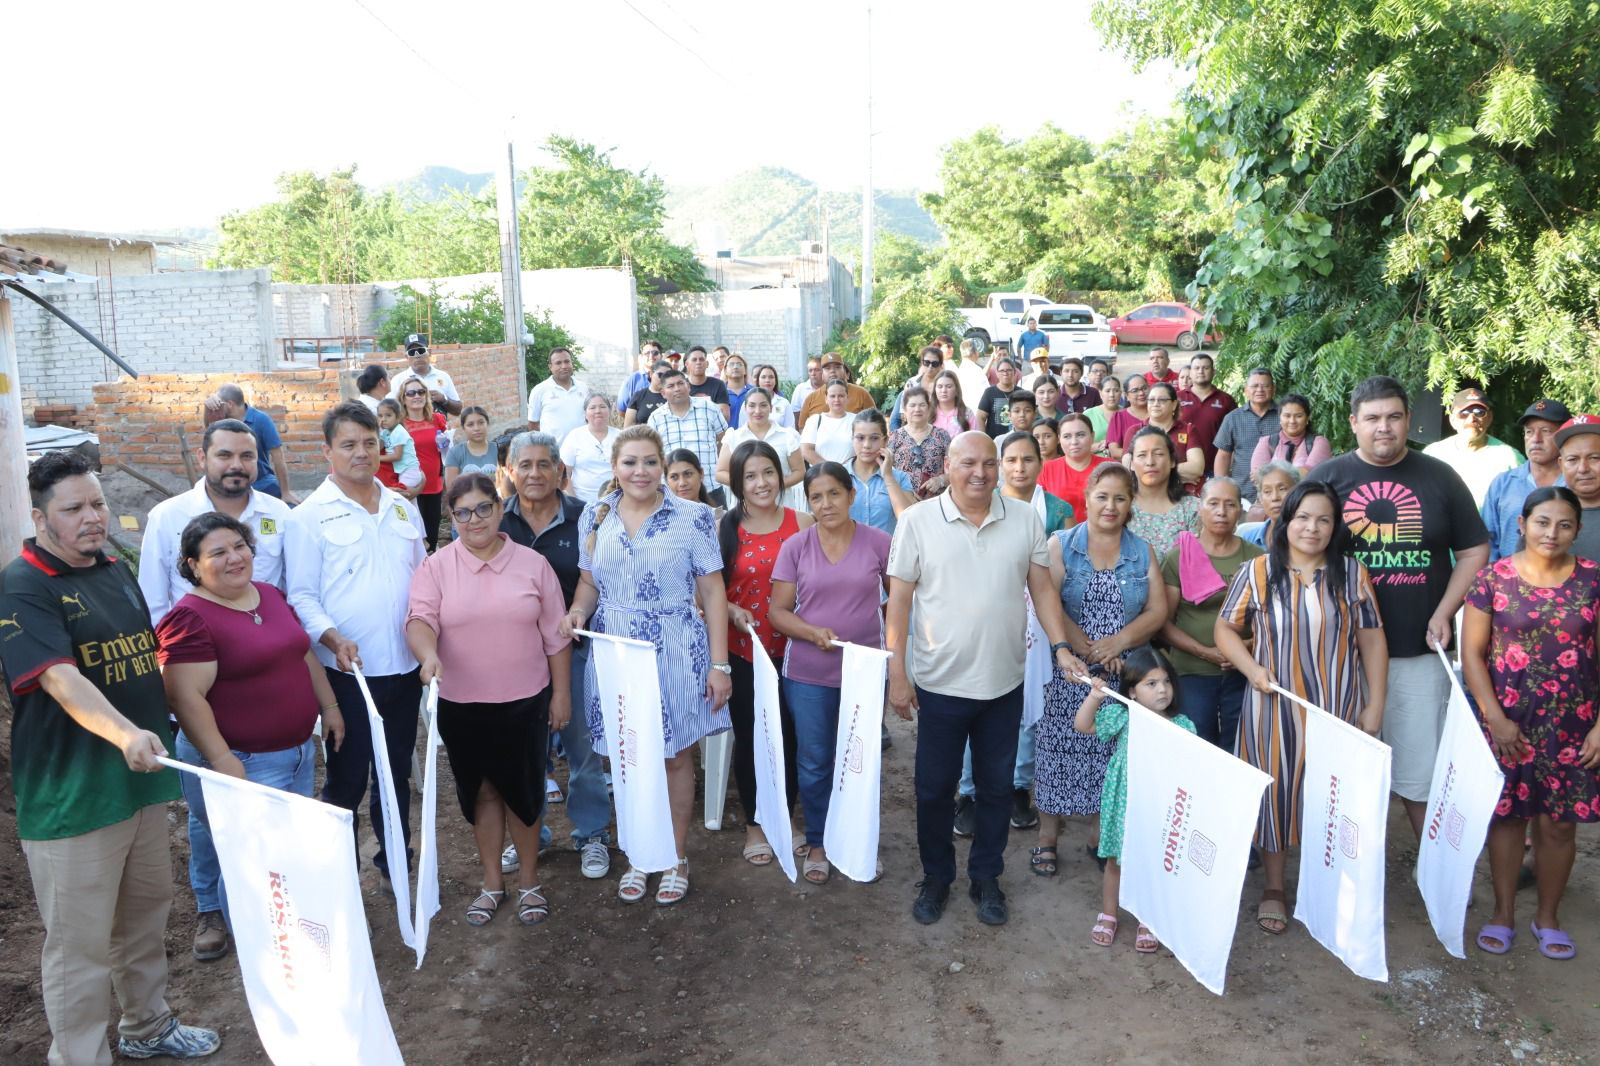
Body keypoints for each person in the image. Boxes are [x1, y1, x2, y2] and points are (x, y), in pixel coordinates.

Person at [0, 452, 223, 1064]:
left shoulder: (111, 567)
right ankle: (78, 1056)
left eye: (97, 503)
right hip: (73, 797)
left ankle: (147, 1027)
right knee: (79, 948)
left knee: (144, 920)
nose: (92, 517)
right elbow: (59, 679)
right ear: (41, 518)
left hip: (139, 787)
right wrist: (126, 733)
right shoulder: (22, 585)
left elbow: (143, 657)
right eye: (74, 508)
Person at [886, 432, 1091, 927]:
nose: (979, 473)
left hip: (1004, 683)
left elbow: (1042, 589)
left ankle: (986, 878)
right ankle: (937, 877)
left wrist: (1061, 647)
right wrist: (897, 673)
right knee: (934, 790)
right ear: (948, 466)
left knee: (997, 789)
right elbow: (899, 603)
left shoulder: (1023, 519)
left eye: (989, 464)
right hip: (939, 685)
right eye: (968, 463)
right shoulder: (916, 521)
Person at [156, 513, 345, 957]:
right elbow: (184, 697)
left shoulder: (269, 594)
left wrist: (330, 707)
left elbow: (301, 654)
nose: (234, 558)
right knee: (251, 864)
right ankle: (263, 954)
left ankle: (284, 941)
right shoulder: (189, 619)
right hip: (242, 761)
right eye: (217, 553)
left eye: (239, 546)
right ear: (192, 565)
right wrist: (223, 760)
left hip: (296, 753)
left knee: (282, 854)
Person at [562, 425, 734, 906]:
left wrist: (720, 665)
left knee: (675, 756)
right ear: (614, 467)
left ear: (662, 466)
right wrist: (577, 612)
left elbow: (713, 592)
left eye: (650, 462)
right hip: (615, 652)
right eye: (630, 462)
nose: (641, 471)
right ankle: (640, 853)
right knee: (629, 756)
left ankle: (675, 856)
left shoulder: (694, 516)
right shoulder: (595, 515)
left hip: (675, 648)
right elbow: (589, 583)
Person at [1311, 375, 1489, 837]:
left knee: (1420, 773)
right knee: (1345, 773)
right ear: (1354, 422)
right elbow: (1291, 550)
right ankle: (1347, 864)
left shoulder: (1440, 476)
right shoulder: (1327, 479)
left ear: (1409, 419)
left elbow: (1474, 550)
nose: (1384, 427)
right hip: (1339, 653)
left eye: (1393, 417)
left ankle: (1430, 867)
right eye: (1372, 418)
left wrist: (1445, 611)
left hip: (1419, 649)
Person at [1216, 479, 1387, 934]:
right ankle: (1274, 887)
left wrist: (1375, 704)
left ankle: (1327, 883)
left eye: (1324, 520)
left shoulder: (1351, 573)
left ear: (1336, 526)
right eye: (1303, 518)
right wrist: (1252, 669)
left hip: (1338, 707)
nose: (1312, 528)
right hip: (1273, 708)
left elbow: (1372, 639)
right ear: (1285, 521)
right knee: (1276, 792)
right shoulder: (1257, 572)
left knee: (1333, 794)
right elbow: (1225, 630)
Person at [407, 474, 571, 926]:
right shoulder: (436, 567)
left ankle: (530, 882)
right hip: (462, 704)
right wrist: (427, 655)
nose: (474, 519)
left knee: (524, 793)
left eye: (483, 508)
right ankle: (493, 883)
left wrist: (561, 695)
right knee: (480, 792)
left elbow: (556, 637)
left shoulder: (533, 564)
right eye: (462, 512)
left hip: (525, 702)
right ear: (451, 517)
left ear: (500, 508)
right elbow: (420, 619)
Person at [285, 402, 427, 886]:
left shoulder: (402, 507)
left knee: (395, 774)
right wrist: (332, 636)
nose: (361, 452)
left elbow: (424, 581)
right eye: (348, 444)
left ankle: (395, 865)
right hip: (346, 677)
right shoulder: (308, 517)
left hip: (404, 671)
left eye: (369, 442)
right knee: (347, 780)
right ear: (328, 451)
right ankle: (339, 879)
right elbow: (301, 595)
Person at [1462, 487, 1600, 959]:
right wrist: (1494, 718)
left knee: (1558, 825)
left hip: (1575, 725)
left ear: (1578, 530)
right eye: (1542, 522)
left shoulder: (1593, 579)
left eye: (1564, 524)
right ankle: (1502, 913)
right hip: (1509, 724)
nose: (1552, 533)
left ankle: (1548, 917)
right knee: (1507, 818)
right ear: (1522, 524)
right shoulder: (1492, 579)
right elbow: (1472, 655)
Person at [1032, 463, 1165, 879]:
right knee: (1057, 750)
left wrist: (1119, 643)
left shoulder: (1142, 551)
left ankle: (1098, 835)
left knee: (1109, 753)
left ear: (1131, 503)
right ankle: (1047, 837)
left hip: (1121, 671)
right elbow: (1049, 601)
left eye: (1120, 498)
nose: (1111, 506)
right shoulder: (1062, 545)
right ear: (1087, 497)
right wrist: (1089, 649)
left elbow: (1157, 610)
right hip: (1070, 668)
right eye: (1103, 496)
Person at [769, 463, 893, 885]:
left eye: (834, 494)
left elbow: (901, 599)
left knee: (860, 760)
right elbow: (777, 612)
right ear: (808, 502)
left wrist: (882, 631)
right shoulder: (796, 547)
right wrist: (811, 632)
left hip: (865, 674)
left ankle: (859, 843)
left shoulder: (879, 542)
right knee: (815, 760)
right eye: (816, 497)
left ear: (851, 495)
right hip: (808, 673)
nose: (826, 504)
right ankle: (819, 842)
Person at [500, 432, 614, 880]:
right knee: (524, 752)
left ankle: (592, 835)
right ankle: (532, 836)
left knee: (583, 749)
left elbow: (599, 578)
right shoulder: (497, 520)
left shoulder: (585, 518)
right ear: (510, 471)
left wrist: (577, 614)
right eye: (525, 465)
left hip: (577, 650)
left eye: (544, 464)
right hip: (515, 658)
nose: (535, 473)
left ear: (560, 471)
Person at [947, 431, 1070, 836]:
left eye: (1028, 459)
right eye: (1011, 460)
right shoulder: (982, 503)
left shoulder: (1056, 510)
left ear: (1041, 463)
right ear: (1001, 465)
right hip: (984, 624)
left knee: (1027, 702)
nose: (1019, 468)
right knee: (975, 705)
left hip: (1037, 619)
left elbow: (1056, 575)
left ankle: (1018, 786)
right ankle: (969, 791)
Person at [717, 442, 810, 870]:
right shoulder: (724, 528)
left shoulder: (802, 523)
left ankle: (786, 816)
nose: (761, 483)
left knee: (791, 736)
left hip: (796, 652)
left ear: (781, 475)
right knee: (751, 737)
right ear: (738, 482)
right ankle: (755, 823)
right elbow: (706, 592)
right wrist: (730, 610)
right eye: (750, 476)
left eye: (768, 472)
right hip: (744, 651)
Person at [1079, 652, 1195, 952]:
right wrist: (1094, 696)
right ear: (1132, 691)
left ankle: (1148, 919)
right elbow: (1083, 725)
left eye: (1166, 681)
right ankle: (1109, 914)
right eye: (1151, 683)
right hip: (1124, 800)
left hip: (1159, 804)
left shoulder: (1181, 725)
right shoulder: (1123, 717)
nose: (1162, 690)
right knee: (1115, 860)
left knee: (1152, 863)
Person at [139, 418, 291, 626]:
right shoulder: (167, 517)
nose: (236, 465)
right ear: (202, 458)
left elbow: (293, 589)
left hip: (269, 637)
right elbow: (152, 602)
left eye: (247, 456)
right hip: (197, 640)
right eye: (224, 455)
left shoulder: (278, 513)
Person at [1159, 478, 1263, 750]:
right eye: (1213, 503)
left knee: (1239, 747)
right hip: (1192, 669)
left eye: (1230, 505)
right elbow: (1164, 624)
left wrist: (1244, 646)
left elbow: (1269, 620)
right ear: (1200, 508)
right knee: (1197, 745)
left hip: (1244, 668)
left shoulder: (1258, 559)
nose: (1221, 512)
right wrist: (1206, 652)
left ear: (1240, 511)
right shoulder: (1178, 557)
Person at [1482, 399, 1570, 561]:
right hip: (1509, 576)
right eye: (1529, 432)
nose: (1536, 439)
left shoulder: (1578, 483)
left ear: (1564, 436)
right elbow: (1488, 542)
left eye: (1546, 431)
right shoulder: (1503, 484)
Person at [1422, 387, 1525, 509]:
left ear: (1489, 418)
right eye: (1464, 413)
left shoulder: (1510, 458)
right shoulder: (1432, 455)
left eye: (1479, 412)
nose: (1471, 419)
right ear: (1452, 419)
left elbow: (1522, 505)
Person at [716, 387, 804, 509]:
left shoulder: (787, 436)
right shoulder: (734, 437)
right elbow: (720, 473)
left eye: (763, 405)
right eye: (752, 406)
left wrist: (775, 486)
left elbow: (799, 471)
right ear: (745, 408)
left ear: (771, 408)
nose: (757, 411)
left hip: (780, 505)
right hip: (745, 508)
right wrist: (747, 485)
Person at [210, 383, 297, 504]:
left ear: (229, 404)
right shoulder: (221, 421)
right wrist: (208, 408)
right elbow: (208, 433)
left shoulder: (261, 420)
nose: (217, 406)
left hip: (261, 482)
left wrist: (285, 492)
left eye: (219, 403)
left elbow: (278, 457)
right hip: (231, 481)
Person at [1127, 426, 1203, 559]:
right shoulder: (1121, 507)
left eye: (1158, 454)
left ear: (1172, 461)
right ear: (1132, 464)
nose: (1150, 462)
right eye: (1142, 455)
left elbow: (1198, 561)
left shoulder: (1193, 509)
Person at [648, 368, 729, 490]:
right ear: (663, 393)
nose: (677, 389)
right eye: (671, 386)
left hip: (710, 486)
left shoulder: (709, 408)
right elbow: (653, 454)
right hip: (673, 490)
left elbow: (725, 441)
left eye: (680, 383)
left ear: (689, 387)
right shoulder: (656, 418)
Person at [1212, 367, 1279, 501]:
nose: (1260, 390)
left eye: (1265, 386)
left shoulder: (1285, 416)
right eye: (1254, 386)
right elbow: (1223, 456)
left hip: (1279, 492)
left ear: (1273, 389)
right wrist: (1221, 488)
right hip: (1242, 494)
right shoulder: (1232, 418)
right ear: (1246, 390)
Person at [1122, 383, 1204, 492]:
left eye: (1162, 400)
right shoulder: (1134, 431)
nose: (1155, 404)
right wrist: (1175, 475)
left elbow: (1196, 468)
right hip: (1145, 495)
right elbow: (1128, 467)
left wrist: (1150, 472)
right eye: (1151, 400)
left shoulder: (1188, 430)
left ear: (1174, 404)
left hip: (1183, 495)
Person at [399, 376, 450, 551]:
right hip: (412, 487)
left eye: (421, 392)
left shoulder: (437, 419)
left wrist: (446, 443)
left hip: (435, 484)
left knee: (433, 534)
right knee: (417, 537)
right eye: (411, 393)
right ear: (403, 399)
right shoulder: (400, 425)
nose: (417, 396)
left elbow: (446, 450)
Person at [848, 409, 916, 536]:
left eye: (874, 438)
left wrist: (888, 477)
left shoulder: (899, 477)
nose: (866, 445)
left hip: (887, 548)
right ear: (852, 439)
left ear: (885, 441)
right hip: (848, 548)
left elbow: (907, 519)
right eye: (860, 438)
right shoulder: (839, 476)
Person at [1038, 412, 1111, 522]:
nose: (1074, 442)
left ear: (1092, 436)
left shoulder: (1110, 468)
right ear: (1059, 439)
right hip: (1060, 532)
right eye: (1067, 436)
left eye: (1080, 435)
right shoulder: (1046, 470)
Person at [889, 385, 952, 500]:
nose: (917, 409)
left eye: (922, 405)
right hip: (904, 500)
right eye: (912, 405)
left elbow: (956, 469)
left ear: (929, 408)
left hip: (935, 501)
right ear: (905, 409)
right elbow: (886, 471)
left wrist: (941, 480)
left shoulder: (942, 435)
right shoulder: (895, 437)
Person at [1248, 393, 1330, 477]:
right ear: (1280, 418)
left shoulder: (1319, 443)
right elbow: (1258, 476)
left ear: (1307, 418)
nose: (1292, 421)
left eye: (1298, 416)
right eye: (1287, 416)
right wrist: (1299, 473)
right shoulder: (1266, 442)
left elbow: (1312, 475)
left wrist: (1270, 475)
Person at [1177, 352, 1236, 468]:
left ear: (1213, 372)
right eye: (1197, 368)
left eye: (1206, 368)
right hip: (1183, 467)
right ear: (1191, 372)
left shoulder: (1226, 400)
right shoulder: (1177, 398)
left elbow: (1235, 435)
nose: (1201, 371)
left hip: (1216, 466)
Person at [560, 393, 622, 503]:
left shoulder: (621, 437)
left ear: (610, 410)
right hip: (582, 502)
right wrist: (574, 502)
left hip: (616, 501)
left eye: (602, 406)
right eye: (592, 407)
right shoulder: (575, 436)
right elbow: (564, 473)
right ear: (585, 414)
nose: (598, 411)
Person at [1556, 415, 1600, 560]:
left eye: (1594, 458)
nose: (1583, 469)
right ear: (1561, 465)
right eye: (1572, 460)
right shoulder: (1545, 513)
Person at [388, 333, 463, 417]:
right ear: (406, 357)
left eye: (421, 351)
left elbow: (458, 410)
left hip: (438, 425)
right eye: (412, 352)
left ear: (429, 352)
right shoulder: (398, 380)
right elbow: (390, 410)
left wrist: (443, 399)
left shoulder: (443, 376)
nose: (417, 356)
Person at [526, 346, 590, 442]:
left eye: (567, 361)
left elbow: (589, 418)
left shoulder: (583, 388)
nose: (564, 366)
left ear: (572, 363)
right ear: (550, 367)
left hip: (581, 446)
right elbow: (533, 424)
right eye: (558, 363)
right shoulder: (539, 390)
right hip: (553, 449)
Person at [1240, 459, 1302, 547]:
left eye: (1282, 489)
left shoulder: (1306, 538)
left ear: (1298, 491)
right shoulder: (1248, 539)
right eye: (1267, 491)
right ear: (1260, 498)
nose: (1275, 497)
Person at [801, 380, 859, 467]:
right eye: (832, 396)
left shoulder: (857, 420)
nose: (837, 400)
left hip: (850, 473)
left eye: (841, 396)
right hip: (820, 473)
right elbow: (806, 450)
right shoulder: (815, 420)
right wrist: (831, 470)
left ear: (847, 398)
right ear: (826, 399)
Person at [887, 345, 945, 431]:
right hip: (910, 430)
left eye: (934, 364)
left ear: (940, 365)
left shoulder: (944, 386)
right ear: (922, 362)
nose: (930, 367)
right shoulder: (912, 383)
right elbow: (897, 418)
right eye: (927, 362)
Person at [376, 398, 423, 496]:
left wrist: (377, 458)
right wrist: (378, 430)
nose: (383, 419)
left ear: (398, 417)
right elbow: (378, 448)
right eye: (380, 416)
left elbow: (397, 456)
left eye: (388, 415)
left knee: (399, 495)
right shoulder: (386, 432)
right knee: (410, 502)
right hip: (403, 472)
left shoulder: (399, 431)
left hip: (410, 471)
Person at [445, 405, 499, 485]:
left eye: (481, 423)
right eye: (470, 425)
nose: (476, 428)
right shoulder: (455, 453)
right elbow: (451, 487)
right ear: (463, 428)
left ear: (487, 423)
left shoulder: (499, 449)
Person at [1105, 374, 1149, 460]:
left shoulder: (1158, 413)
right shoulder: (1119, 417)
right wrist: (1143, 456)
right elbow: (1114, 451)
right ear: (1126, 396)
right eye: (1135, 390)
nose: (1141, 393)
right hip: (1128, 465)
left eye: (1144, 388)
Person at [978, 357, 1023, 439]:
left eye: (1009, 370)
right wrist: (983, 438)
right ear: (997, 373)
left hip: (1016, 439)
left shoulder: (1021, 393)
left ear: (1014, 372)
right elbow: (980, 417)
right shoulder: (989, 392)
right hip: (994, 441)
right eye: (1002, 370)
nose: (1005, 373)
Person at [684, 345, 732, 422]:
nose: (698, 362)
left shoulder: (718, 385)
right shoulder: (681, 386)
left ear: (707, 364)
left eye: (701, 359)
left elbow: (725, 416)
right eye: (694, 360)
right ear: (687, 364)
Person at [616, 340, 663, 414]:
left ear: (661, 356)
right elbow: (621, 410)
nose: (651, 356)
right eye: (647, 353)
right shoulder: (632, 380)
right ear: (641, 357)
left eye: (655, 353)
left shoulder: (669, 377)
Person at [624, 360, 674, 427]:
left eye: (667, 376)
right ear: (651, 374)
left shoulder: (674, 395)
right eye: (660, 375)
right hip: (643, 433)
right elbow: (628, 426)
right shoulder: (638, 396)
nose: (664, 379)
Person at [931, 369, 979, 436]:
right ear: (935, 390)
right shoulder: (928, 412)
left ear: (956, 390)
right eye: (940, 386)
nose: (944, 390)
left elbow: (975, 438)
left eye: (949, 386)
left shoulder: (967, 413)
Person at [1085, 372, 1123, 453]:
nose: (1112, 395)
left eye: (1116, 390)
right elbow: (1080, 445)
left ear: (1121, 393)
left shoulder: (1127, 413)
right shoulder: (1088, 414)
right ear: (1100, 393)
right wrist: (1100, 446)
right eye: (1107, 391)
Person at [748, 364, 796, 428]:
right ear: (758, 380)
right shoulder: (749, 402)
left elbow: (790, 429)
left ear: (775, 381)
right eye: (763, 377)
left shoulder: (784, 403)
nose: (767, 380)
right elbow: (743, 427)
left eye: (771, 377)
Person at [952, 338, 991, 411]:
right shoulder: (976, 370)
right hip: (978, 411)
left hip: (965, 411)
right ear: (975, 353)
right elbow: (986, 393)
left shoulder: (959, 371)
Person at [720, 352, 755, 426]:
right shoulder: (718, 393)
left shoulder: (754, 392)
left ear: (745, 370)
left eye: (739, 364)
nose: (735, 367)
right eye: (731, 364)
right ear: (725, 370)